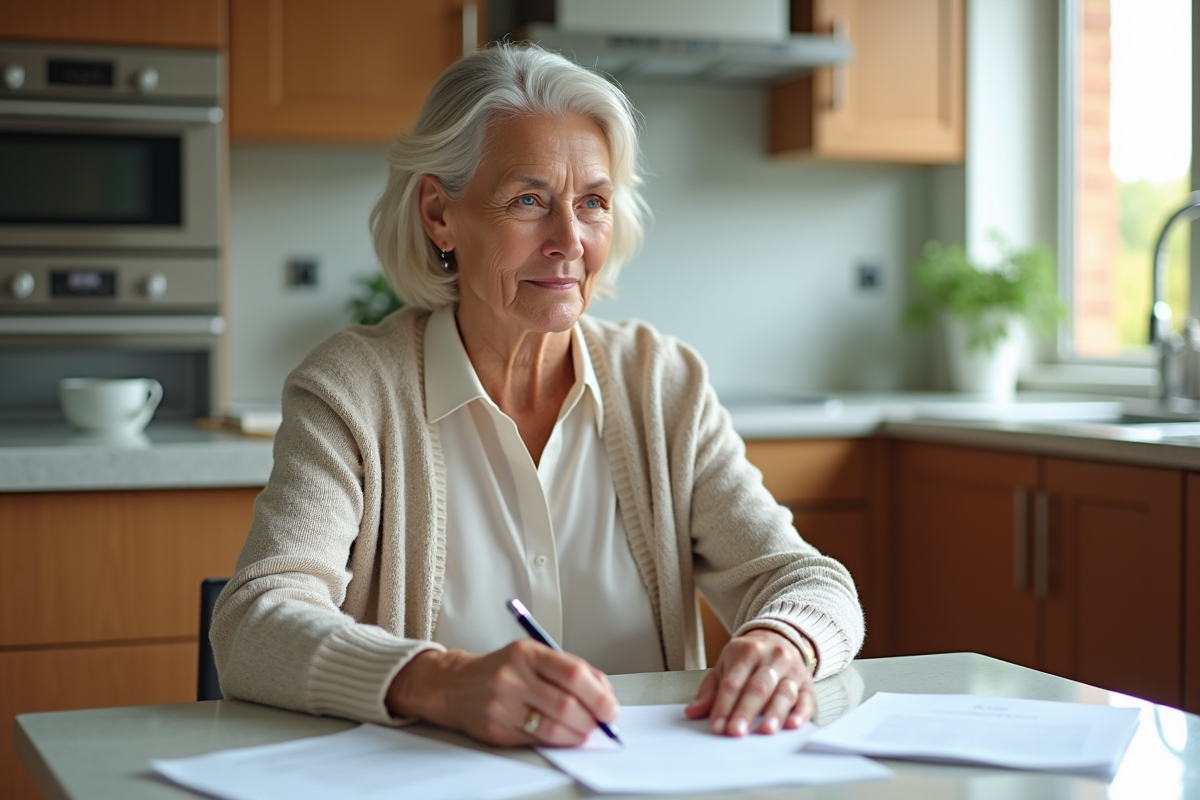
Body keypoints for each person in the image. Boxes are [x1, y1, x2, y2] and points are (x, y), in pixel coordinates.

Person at [210, 42, 864, 748]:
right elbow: (255, 621)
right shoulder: (352, 391)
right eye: (529, 200)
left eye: (592, 203)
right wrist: (440, 679)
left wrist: (783, 640)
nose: (570, 240)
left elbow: (806, 580)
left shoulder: (661, 383)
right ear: (439, 215)